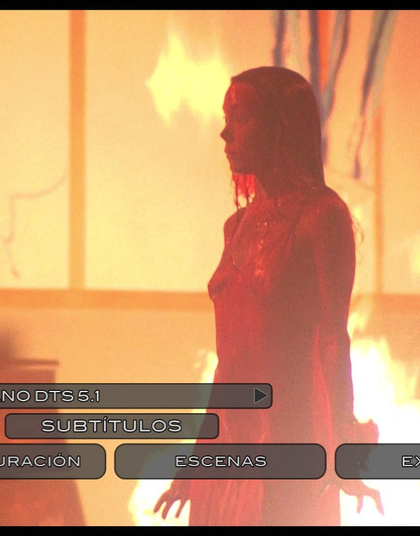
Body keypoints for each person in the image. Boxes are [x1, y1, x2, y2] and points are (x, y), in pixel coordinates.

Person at [154, 66, 383, 525]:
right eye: (227, 119)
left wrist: (344, 442)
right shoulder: (236, 227)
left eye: (241, 118)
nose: (226, 134)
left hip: (287, 448)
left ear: (282, 126)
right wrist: (195, 461)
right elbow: (228, 366)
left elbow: (333, 338)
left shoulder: (322, 217)